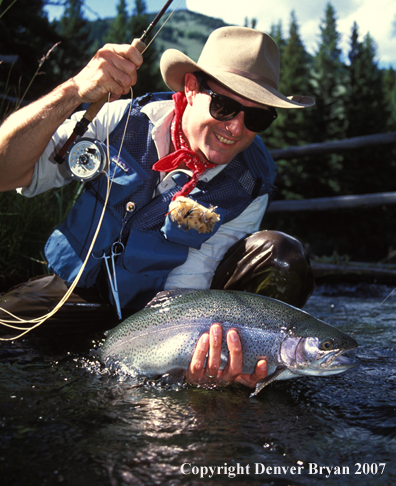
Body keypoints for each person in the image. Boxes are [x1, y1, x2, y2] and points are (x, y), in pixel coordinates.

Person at [0, 26, 315, 391]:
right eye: (224, 106)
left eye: (257, 118)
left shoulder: (251, 182)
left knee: (282, 255)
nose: (235, 127)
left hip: (168, 315)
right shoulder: (120, 121)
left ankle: (251, 374)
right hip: (79, 291)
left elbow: (193, 279)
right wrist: (72, 93)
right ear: (191, 88)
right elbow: (7, 171)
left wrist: (191, 358)